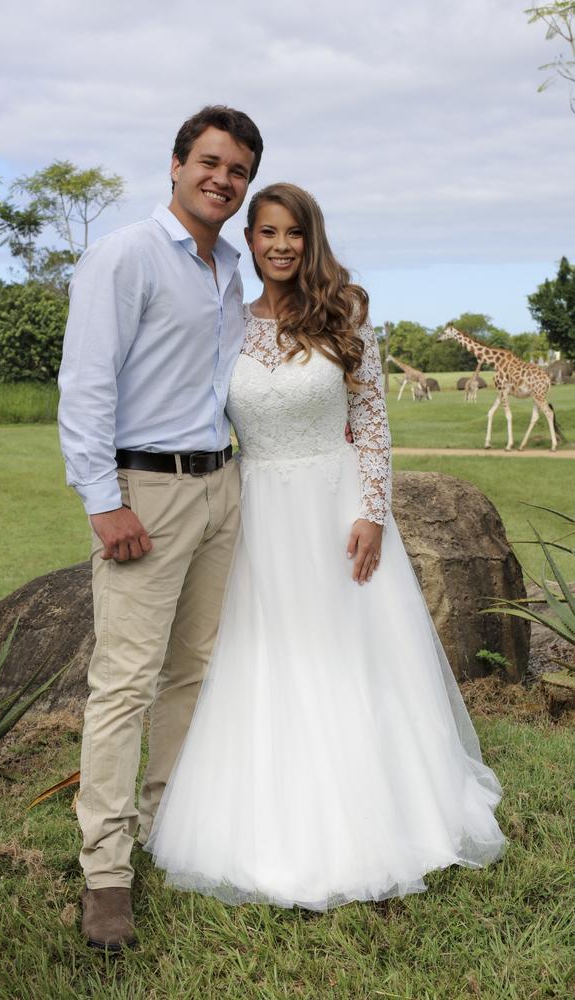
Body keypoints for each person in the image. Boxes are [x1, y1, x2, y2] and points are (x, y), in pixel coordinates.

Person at [145, 183, 507, 909]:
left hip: (339, 506)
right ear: (247, 240)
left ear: (311, 239)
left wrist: (373, 511)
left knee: (352, 651)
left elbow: (373, 422)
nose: (281, 245)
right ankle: (272, 814)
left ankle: (383, 807)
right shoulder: (227, 325)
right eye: (267, 232)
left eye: (294, 233)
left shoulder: (348, 315)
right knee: (268, 655)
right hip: (259, 514)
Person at [58, 105, 264, 949]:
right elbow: (85, 383)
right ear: (176, 165)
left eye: (239, 171)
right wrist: (103, 500)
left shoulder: (228, 271)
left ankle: (164, 824)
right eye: (210, 162)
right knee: (124, 682)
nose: (223, 179)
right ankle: (105, 873)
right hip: (147, 490)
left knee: (193, 672)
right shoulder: (128, 254)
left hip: (223, 486)